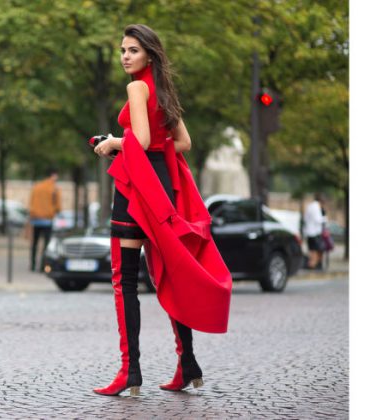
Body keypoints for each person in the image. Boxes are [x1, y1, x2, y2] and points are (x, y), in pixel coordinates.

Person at [91, 24, 232, 397]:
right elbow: (183, 142)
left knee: (125, 280)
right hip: (163, 187)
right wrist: (153, 152)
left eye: (132, 51)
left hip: (136, 189)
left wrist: (111, 143)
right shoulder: (165, 91)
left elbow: (141, 139)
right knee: (168, 272)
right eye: (122, 50)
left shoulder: (137, 87)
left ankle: (129, 372)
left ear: (148, 55)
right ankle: (188, 364)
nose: (125, 57)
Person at [28, 168, 61, 271]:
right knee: (46, 245)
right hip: (47, 220)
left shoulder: (36, 187)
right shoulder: (54, 188)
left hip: (35, 219)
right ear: (53, 176)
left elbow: (31, 202)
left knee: (34, 243)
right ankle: (43, 266)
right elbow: (58, 206)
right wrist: (54, 211)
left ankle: (32, 265)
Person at [304, 193, 326, 269]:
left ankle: (311, 264)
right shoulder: (316, 207)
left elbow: (305, 218)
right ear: (321, 202)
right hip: (315, 233)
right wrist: (325, 218)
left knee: (311, 250)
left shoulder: (309, 206)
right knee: (317, 250)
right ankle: (314, 265)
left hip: (308, 232)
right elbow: (318, 220)